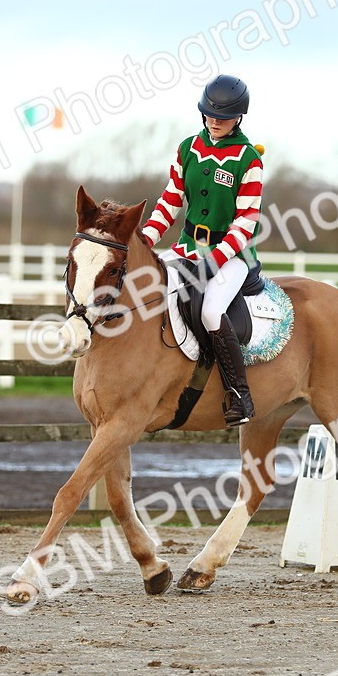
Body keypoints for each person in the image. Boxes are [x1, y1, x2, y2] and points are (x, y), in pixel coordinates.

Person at [140, 74, 264, 426]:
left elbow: (245, 226)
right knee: (146, 284)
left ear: (239, 117)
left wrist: (214, 261)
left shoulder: (248, 160)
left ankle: (240, 394)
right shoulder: (188, 148)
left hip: (233, 256)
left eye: (221, 117)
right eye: (208, 114)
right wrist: (146, 239)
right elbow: (170, 200)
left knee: (211, 312)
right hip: (187, 247)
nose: (213, 121)